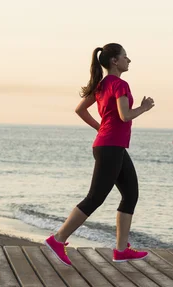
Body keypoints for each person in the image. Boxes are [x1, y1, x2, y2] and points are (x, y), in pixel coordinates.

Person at [45, 43, 155, 265]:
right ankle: (58, 239)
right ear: (115, 61)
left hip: (111, 146)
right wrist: (144, 107)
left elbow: (80, 110)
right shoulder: (119, 84)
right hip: (110, 147)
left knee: (130, 194)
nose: (129, 60)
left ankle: (121, 250)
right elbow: (125, 116)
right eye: (125, 56)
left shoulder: (102, 85)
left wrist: (100, 128)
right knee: (95, 197)